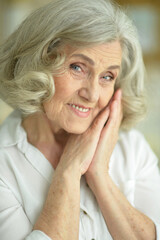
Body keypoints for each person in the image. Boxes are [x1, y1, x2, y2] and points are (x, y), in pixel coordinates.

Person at [0, 0, 160, 239]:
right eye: (77, 67)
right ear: (36, 63)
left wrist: (99, 174)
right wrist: (70, 169)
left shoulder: (133, 148)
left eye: (107, 76)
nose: (92, 95)